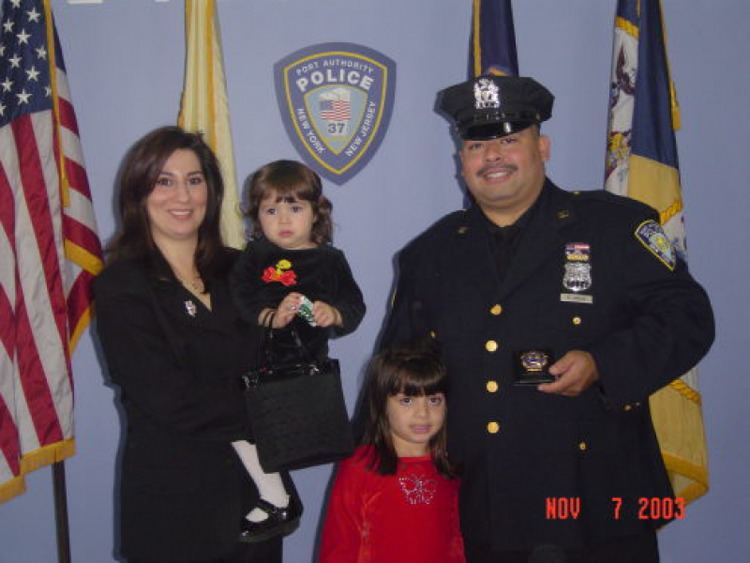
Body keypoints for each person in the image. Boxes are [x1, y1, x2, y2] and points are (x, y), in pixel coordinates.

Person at [379, 75, 715, 562]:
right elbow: (398, 371)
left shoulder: (613, 226)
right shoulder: (428, 255)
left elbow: (688, 316)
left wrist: (604, 363)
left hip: (596, 500)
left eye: (510, 140)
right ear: (461, 160)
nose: (492, 156)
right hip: (482, 507)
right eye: (477, 145)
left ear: (544, 147)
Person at [94, 126, 283, 563]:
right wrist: (267, 413)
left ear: (211, 192)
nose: (182, 195)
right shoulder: (121, 287)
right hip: (174, 505)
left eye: (194, 180)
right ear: (138, 193)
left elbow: (279, 360)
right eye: (164, 181)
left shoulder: (244, 271)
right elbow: (168, 398)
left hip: (256, 495)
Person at [229, 159, 365, 540]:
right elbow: (240, 297)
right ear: (257, 216)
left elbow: (355, 306)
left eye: (295, 208)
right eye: (271, 210)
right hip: (260, 365)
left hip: (306, 370)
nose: (283, 219)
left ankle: (278, 496)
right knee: (236, 425)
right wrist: (269, 316)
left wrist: (333, 313)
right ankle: (276, 496)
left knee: (300, 438)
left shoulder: (330, 260)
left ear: (316, 212)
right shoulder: (255, 255)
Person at [319, 342, 465, 563]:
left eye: (434, 400)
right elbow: (339, 544)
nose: (423, 414)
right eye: (407, 401)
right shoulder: (361, 465)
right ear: (382, 405)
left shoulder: (449, 466)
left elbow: (456, 543)